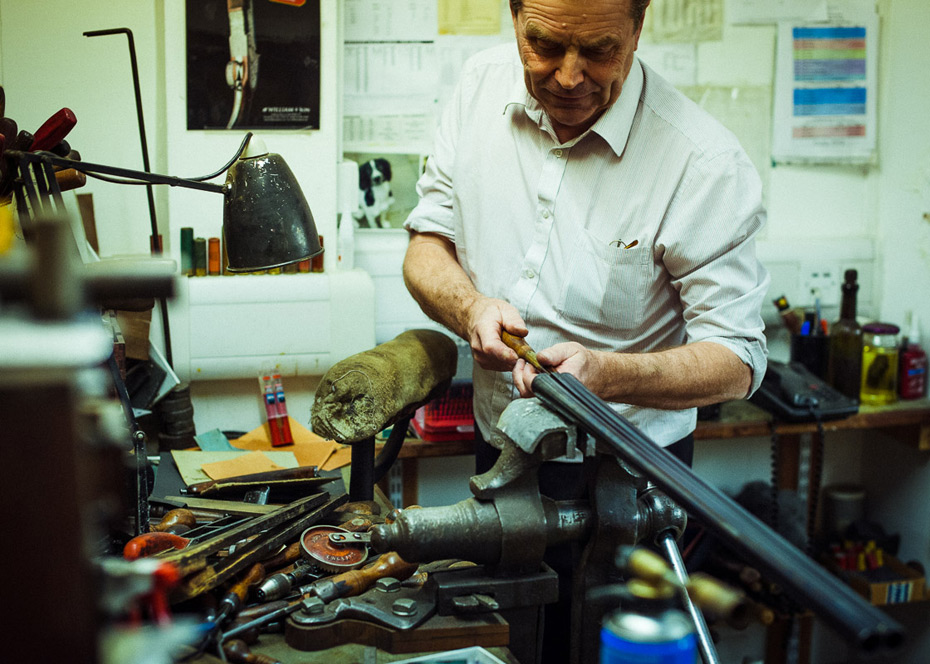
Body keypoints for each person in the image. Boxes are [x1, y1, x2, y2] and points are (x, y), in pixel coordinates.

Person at [402, 0, 769, 659]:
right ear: (514, 17)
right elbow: (426, 247)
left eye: (599, 50)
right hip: (502, 458)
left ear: (638, 27)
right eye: (544, 44)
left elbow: (738, 359)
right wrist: (470, 308)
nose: (569, 76)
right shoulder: (476, 90)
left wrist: (607, 373)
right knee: (504, 648)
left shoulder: (703, 163)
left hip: (628, 484)